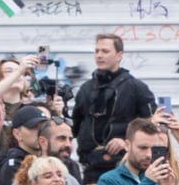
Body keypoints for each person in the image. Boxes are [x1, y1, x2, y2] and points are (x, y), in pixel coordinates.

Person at [65, 32, 157, 168]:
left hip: (124, 164)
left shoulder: (136, 87)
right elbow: (74, 128)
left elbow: (152, 125)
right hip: (90, 164)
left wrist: (126, 141)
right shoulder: (85, 89)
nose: (99, 55)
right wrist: (58, 111)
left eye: (105, 51)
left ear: (119, 55)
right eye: (97, 51)